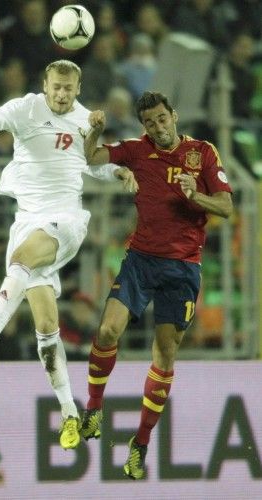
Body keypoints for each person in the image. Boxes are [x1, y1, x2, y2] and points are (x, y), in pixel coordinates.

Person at [0, 59, 137, 451]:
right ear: (44, 85)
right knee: (46, 328)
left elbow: (95, 166)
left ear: (77, 88)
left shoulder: (84, 121)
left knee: (21, 261)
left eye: (69, 88)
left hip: (65, 219)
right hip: (27, 220)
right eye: (56, 87)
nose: (62, 94)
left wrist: (120, 172)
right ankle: (69, 414)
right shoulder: (24, 109)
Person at [81, 91, 233, 479]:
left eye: (162, 119)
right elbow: (91, 158)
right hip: (141, 261)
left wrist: (193, 195)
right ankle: (94, 409)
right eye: (150, 122)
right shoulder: (136, 150)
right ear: (143, 126)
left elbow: (226, 207)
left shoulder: (203, 152)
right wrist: (92, 132)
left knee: (164, 355)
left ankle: (141, 443)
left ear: (174, 115)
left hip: (183, 269)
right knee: (106, 329)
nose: (158, 127)